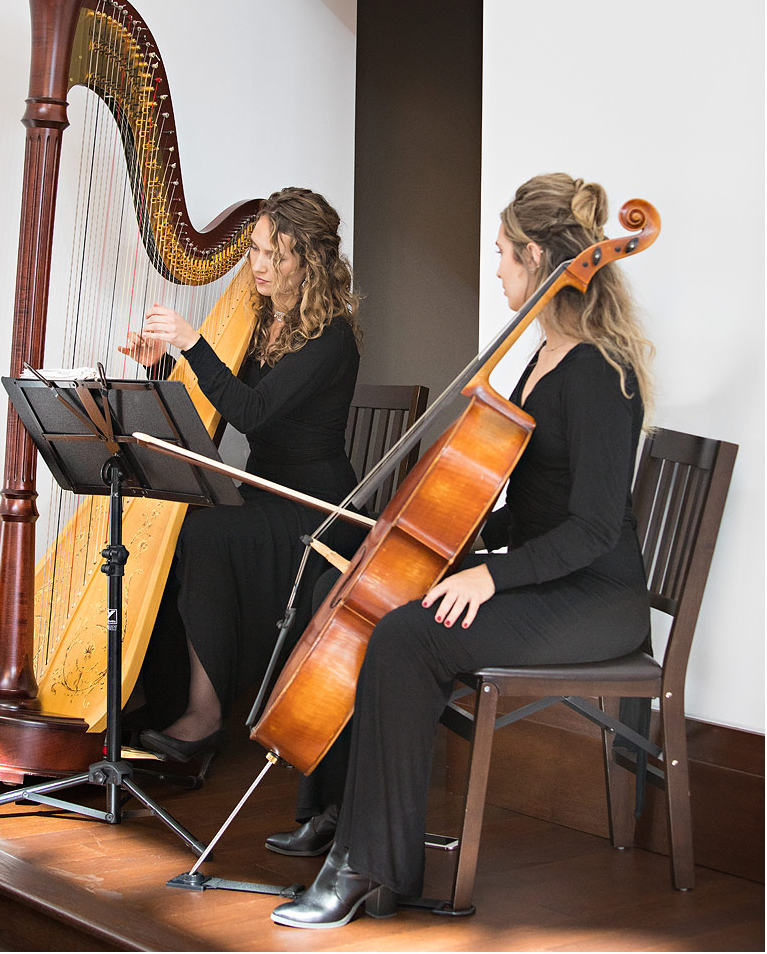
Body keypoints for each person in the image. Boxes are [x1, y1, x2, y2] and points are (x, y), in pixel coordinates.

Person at [267, 172, 656, 930]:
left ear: (539, 257)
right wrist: (456, 538)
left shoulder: (600, 375)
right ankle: (342, 819)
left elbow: (593, 529)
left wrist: (489, 574)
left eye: (504, 255)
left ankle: (368, 864)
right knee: (367, 597)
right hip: (552, 578)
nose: (498, 270)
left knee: (409, 635)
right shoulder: (542, 358)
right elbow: (538, 501)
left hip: (598, 599)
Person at [119, 187, 364, 761]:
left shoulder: (332, 339)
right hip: (262, 495)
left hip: (317, 510)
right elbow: (224, 403)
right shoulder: (258, 324)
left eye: (274, 256)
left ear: (310, 262)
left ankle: (204, 717)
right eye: (254, 250)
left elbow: (250, 411)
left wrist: (191, 343)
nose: (257, 265)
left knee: (205, 533)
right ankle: (156, 705)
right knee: (175, 521)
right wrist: (162, 361)